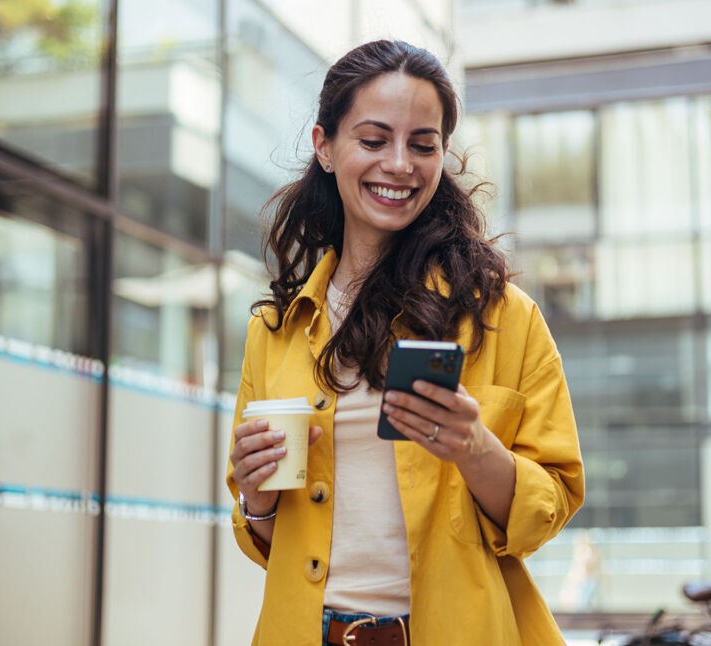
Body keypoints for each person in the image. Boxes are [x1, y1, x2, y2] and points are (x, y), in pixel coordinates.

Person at [227, 39, 584, 645]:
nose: (400, 164)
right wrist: (257, 501)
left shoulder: (502, 316)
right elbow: (269, 541)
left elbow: (549, 506)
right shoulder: (275, 332)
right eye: (373, 140)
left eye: (424, 145)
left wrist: (475, 448)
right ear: (326, 147)